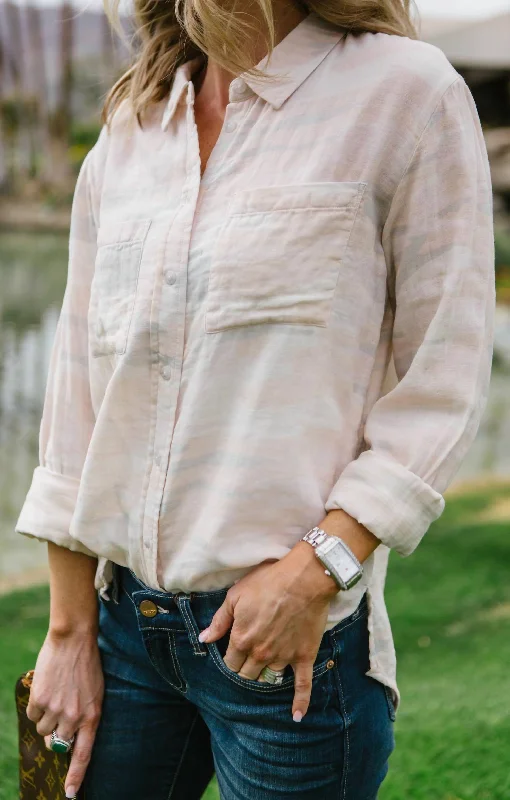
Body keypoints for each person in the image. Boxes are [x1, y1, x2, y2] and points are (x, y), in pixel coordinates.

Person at [15, 1, 495, 798]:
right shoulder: (131, 133)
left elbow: (442, 379)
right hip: (124, 634)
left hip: (290, 648)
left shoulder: (405, 94)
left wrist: (316, 570)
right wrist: (69, 631)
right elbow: (76, 403)